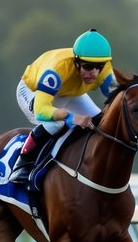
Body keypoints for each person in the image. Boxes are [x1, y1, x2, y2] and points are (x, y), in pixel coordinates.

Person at [9, 29, 115, 184]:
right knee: (57, 124)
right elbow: (41, 111)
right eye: (88, 67)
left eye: (99, 67)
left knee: (101, 122)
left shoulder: (104, 69)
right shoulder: (56, 70)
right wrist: (72, 118)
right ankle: (22, 164)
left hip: (69, 91)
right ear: (76, 62)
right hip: (34, 92)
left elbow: (117, 97)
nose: (94, 72)